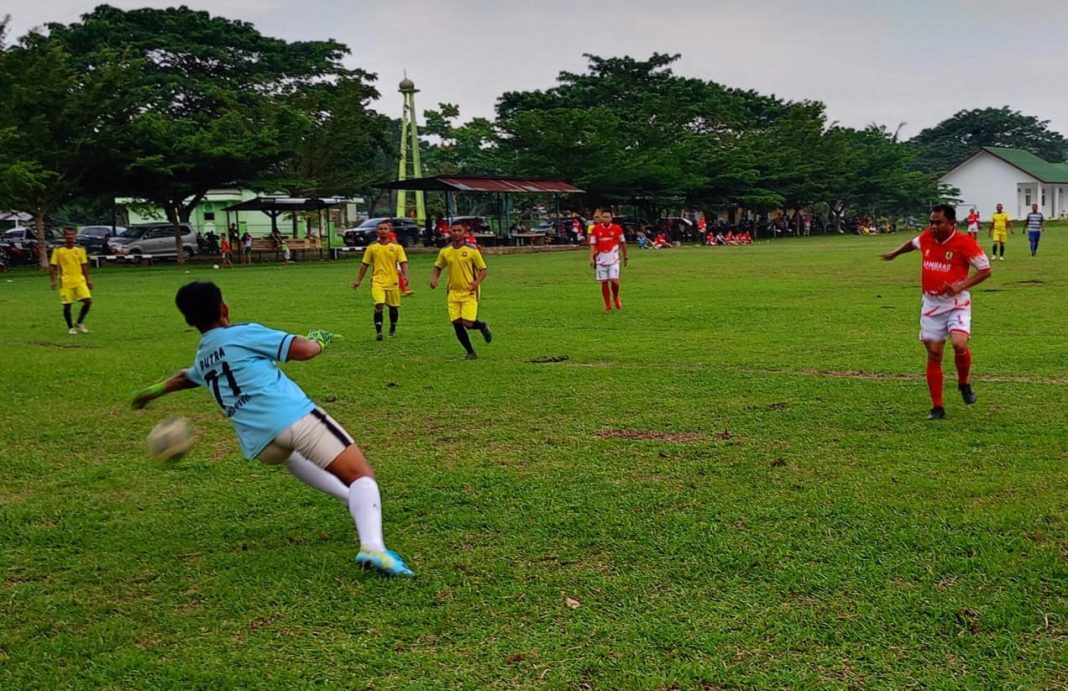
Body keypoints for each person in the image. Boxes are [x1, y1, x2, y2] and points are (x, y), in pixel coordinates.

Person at [130, 282, 412, 576]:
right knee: (362, 476)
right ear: (224, 309)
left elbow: (184, 378)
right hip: (293, 418)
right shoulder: (243, 333)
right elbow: (303, 350)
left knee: (294, 456)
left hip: (262, 445)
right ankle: (374, 549)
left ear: (189, 321)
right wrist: (318, 340)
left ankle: (348, 500)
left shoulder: (204, 355)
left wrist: (152, 391)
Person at [882, 204, 992, 420]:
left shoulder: (965, 242)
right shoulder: (926, 238)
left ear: (951, 223)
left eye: (938, 222)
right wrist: (895, 253)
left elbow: (985, 270)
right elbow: (912, 244)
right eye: (931, 222)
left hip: (957, 302)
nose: (933, 226)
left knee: (959, 344)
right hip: (932, 305)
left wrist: (961, 286)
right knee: (934, 354)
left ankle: (963, 383)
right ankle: (938, 407)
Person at [430, 223, 492, 359]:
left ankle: (482, 326)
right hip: (452, 291)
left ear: (464, 233)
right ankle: (470, 352)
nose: (456, 233)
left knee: (468, 323)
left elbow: (483, 269)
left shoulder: (472, 250)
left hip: (469, 291)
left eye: (459, 231)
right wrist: (434, 279)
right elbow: (438, 267)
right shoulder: (445, 251)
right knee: (457, 323)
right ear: (450, 232)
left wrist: (476, 282)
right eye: (454, 230)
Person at [353, 221, 409, 340]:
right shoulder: (372, 247)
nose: (383, 231)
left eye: (385, 229)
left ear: (390, 231)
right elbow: (364, 265)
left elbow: (403, 263)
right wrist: (358, 280)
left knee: (393, 307)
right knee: (379, 305)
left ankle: (393, 328)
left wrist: (405, 276)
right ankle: (379, 332)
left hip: (393, 281)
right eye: (380, 229)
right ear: (377, 231)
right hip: (377, 281)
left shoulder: (397, 247)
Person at [49, 228, 94, 335]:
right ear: (64, 236)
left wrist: (88, 280)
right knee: (67, 305)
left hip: (79, 280)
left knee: (88, 301)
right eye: (68, 235)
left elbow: (84, 266)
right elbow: (53, 266)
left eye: (72, 235)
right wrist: (53, 281)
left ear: (75, 236)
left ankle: (79, 322)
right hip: (65, 281)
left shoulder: (80, 249)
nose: (70, 237)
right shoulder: (58, 250)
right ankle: (70, 327)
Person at [589, 211, 629, 311]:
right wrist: (591, 258)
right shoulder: (595, 229)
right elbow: (593, 244)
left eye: (608, 217)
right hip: (600, 259)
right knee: (604, 282)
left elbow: (623, 243)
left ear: (611, 218)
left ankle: (616, 297)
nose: (606, 219)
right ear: (601, 218)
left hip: (613, 259)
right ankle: (607, 304)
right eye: (604, 217)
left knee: (615, 281)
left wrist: (625, 256)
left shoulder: (617, 228)